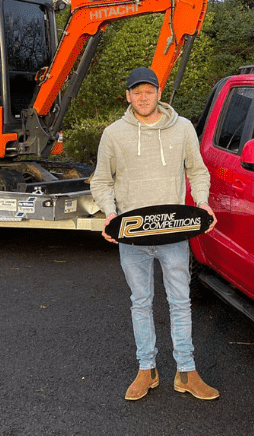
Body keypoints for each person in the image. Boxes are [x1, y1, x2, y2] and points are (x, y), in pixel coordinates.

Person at [90, 66, 220, 402]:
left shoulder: (183, 128)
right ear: (128, 96)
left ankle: (186, 372)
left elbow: (198, 170)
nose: (144, 97)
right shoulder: (114, 134)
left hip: (173, 232)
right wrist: (110, 213)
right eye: (137, 92)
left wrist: (202, 202)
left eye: (149, 91)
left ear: (159, 94)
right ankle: (146, 370)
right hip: (133, 236)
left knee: (180, 302)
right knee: (141, 302)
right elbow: (101, 181)